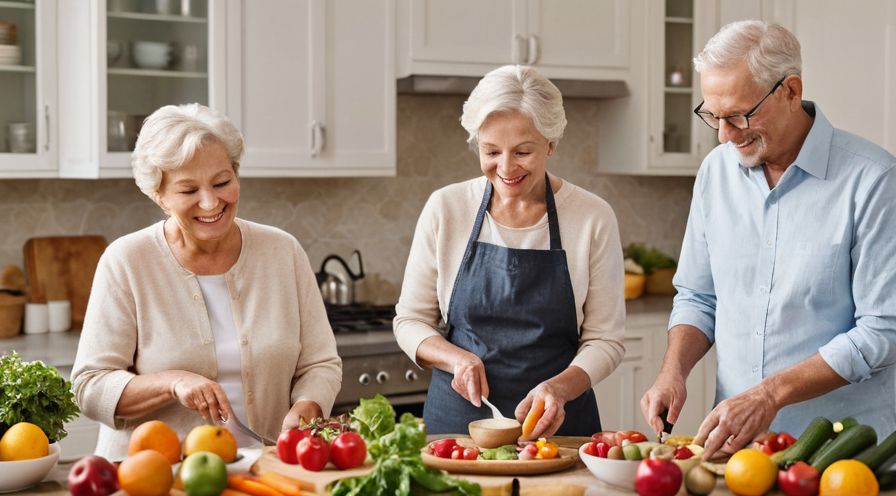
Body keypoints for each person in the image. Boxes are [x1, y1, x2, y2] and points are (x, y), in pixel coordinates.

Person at [641, 20, 896, 460]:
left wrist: (770, 394)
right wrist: (673, 370)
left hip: (844, 453)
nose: (725, 135)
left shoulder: (873, 180)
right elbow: (699, 296)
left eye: (740, 115)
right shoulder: (716, 172)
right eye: (713, 116)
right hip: (738, 450)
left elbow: (882, 330)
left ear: (791, 91)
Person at [71, 103, 342, 460]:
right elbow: (90, 387)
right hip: (157, 477)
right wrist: (174, 382)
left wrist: (308, 405)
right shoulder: (127, 261)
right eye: (188, 190)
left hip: (267, 470)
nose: (211, 202)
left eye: (222, 182)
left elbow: (321, 363)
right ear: (159, 195)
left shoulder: (282, 251)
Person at [394, 65, 626, 438]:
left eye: (522, 151)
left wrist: (560, 389)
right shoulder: (446, 208)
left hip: (559, 426)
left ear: (550, 145)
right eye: (491, 151)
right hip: (460, 429)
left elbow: (606, 340)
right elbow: (410, 320)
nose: (505, 168)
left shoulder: (591, 217)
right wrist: (457, 360)